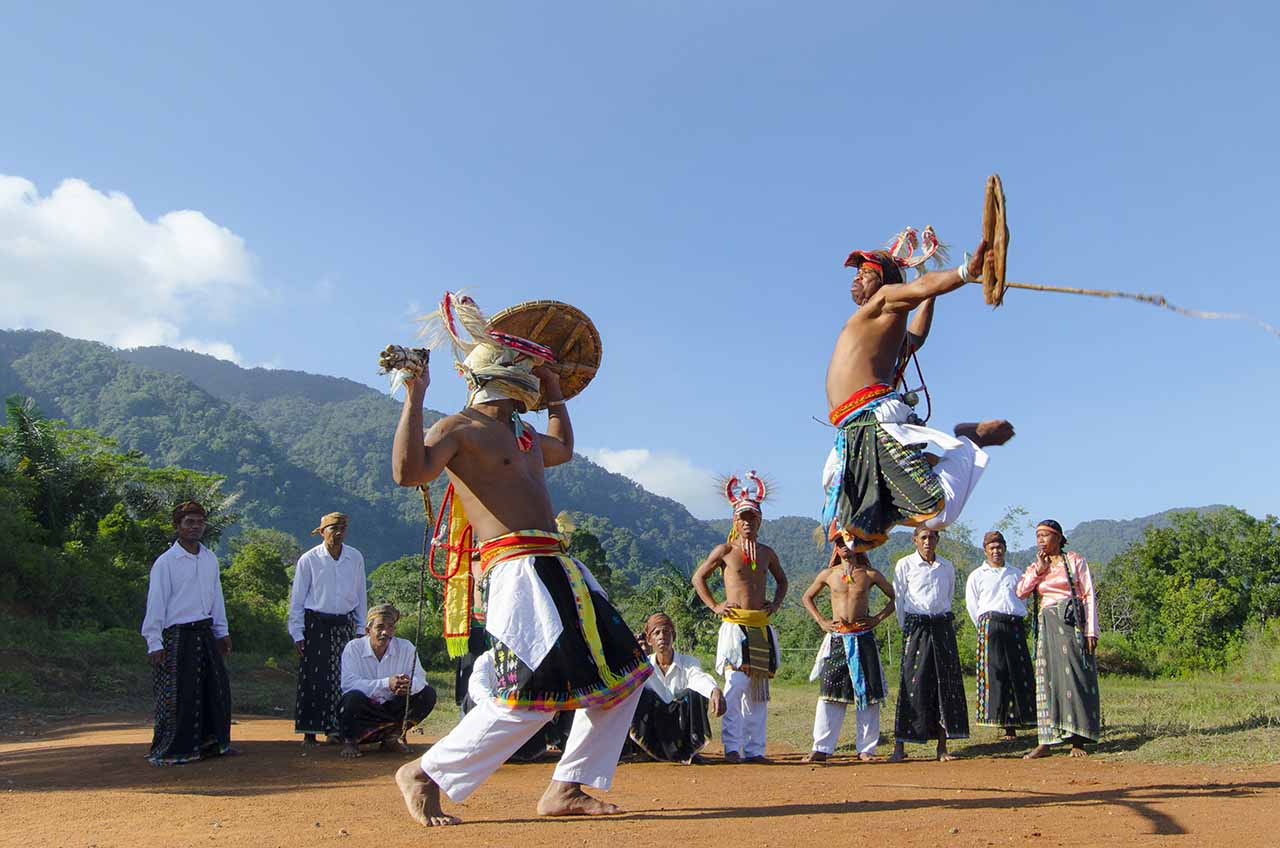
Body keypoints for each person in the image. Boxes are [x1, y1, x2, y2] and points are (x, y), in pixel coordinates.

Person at [390, 292, 651, 826]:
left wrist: (557, 394)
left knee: (626, 675)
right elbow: (408, 473)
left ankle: (567, 787)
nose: (533, 377)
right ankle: (425, 773)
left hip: (560, 567)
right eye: (531, 370)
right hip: (516, 571)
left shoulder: (526, 436)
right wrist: (414, 399)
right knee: (530, 692)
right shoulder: (456, 428)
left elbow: (564, 450)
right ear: (505, 376)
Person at [821, 230, 1015, 553]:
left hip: (873, 422)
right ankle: (926, 461)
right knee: (841, 503)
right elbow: (915, 338)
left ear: (885, 282)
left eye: (865, 273)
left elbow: (919, 287)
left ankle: (969, 442)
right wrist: (930, 296)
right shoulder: (875, 321)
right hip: (851, 429)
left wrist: (965, 272)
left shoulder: (884, 300)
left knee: (937, 510)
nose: (857, 278)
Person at [692, 471, 787, 763]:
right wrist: (715, 605)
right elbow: (699, 578)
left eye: (752, 518)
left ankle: (755, 750)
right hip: (735, 626)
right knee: (735, 688)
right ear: (735, 520)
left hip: (760, 624)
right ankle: (732, 748)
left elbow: (782, 582)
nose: (747, 522)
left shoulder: (767, 553)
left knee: (758, 693)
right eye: (743, 518)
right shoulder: (725, 550)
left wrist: (776, 604)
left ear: (759, 521)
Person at [140, 501, 233, 766]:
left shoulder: (209, 558)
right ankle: (173, 748)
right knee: (180, 695)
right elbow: (156, 604)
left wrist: (221, 631)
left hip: (205, 632)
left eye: (199, 522)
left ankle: (212, 744)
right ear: (178, 526)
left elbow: (217, 598)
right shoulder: (166, 563)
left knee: (216, 690)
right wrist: (154, 642)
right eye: (189, 522)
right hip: (177, 636)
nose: (195, 527)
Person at [801, 539, 894, 763]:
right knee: (830, 693)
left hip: (864, 639)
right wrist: (822, 621)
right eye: (839, 542)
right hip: (837, 639)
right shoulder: (828, 574)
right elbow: (807, 597)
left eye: (848, 542)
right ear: (835, 548)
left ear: (858, 545)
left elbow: (895, 598)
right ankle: (821, 747)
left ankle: (867, 749)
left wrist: (877, 619)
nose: (844, 546)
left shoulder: (870, 574)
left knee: (869, 695)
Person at [1016, 519, 1101, 758]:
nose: (1040, 540)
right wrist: (1039, 568)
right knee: (1046, 680)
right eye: (1038, 536)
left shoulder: (1075, 561)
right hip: (1047, 625)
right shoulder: (1038, 566)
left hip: (1070, 624)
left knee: (1073, 678)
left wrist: (1091, 630)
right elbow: (1021, 591)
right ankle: (1046, 740)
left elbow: (1089, 594)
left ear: (1059, 538)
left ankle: (1077, 740)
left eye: (1045, 535)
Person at [288, 511, 368, 747]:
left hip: (345, 623)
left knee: (343, 677)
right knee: (314, 676)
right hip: (316, 624)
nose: (338, 533)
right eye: (333, 528)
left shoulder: (355, 558)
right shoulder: (309, 559)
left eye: (342, 528)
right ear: (322, 532)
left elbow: (360, 593)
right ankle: (310, 731)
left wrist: (361, 628)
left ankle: (336, 729)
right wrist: (297, 631)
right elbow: (298, 598)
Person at [890, 526, 968, 761]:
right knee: (911, 683)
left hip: (942, 626)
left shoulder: (946, 566)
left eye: (932, 537)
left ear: (938, 539)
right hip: (916, 627)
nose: (928, 541)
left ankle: (942, 747)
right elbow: (899, 599)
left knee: (945, 684)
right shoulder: (905, 565)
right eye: (923, 537)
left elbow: (949, 595)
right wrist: (909, 630)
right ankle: (900, 747)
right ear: (915, 540)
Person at [338, 604, 437, 757]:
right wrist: (386, 683)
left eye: (390, 627)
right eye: (380, 627)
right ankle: (351, 741)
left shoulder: (406, 648)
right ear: (367, 630)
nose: (385, 632)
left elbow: (421, 679)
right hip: (366, 710)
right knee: (351, 699)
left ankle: (392, 738)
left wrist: (409, 685)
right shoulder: (353, 648)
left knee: (427, 694)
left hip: (392, 707)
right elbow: (348, 684)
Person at [964, 530, 1035, 739]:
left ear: (1005, 547)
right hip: (990, 626)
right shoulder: (977, 575)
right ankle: (1000, 722)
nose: (996, 551)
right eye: (992, 548)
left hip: (1014, 625)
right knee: (996, 674)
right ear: (985, 550)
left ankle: (1021, 722)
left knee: (1018, 672)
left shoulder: (1016, 573)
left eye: (999, 546)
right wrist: (985, 627)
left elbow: (1023, 600)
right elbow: (972, 605)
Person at [629, 612, 726, 764]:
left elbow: (698, 678)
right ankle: (645, 749)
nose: (662, 636)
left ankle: (691, 749)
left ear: (673, 636)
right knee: (638, 693)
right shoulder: (643, 667)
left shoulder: (689, 662)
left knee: (695, 694)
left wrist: (714, 690)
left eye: (667, 632)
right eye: (657, 633)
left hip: (680, 724)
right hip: (654, 725)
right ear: (649, 639)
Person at [464, 647, 572, 762]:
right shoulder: (486, 659)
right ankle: (480, 746)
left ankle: (566, 742)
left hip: (531, 737)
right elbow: (477, 689)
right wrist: (500, 710)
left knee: (572, 694)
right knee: (471, 699)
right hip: (497, 729)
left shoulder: (537, 657)